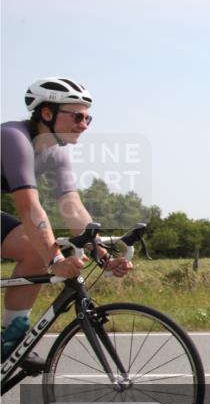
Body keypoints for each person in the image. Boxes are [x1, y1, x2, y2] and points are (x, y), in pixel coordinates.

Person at [1, 77, 132, 372]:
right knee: (43, 247)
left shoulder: (55, 153)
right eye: (76, 116)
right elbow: (29, 207)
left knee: (35, 249)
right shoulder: (13, 138)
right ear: (46, 113)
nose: (84, 123)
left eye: (88, 117)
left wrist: (102, 256)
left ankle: (10, 341)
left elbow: (72, 209)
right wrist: (56, 259)